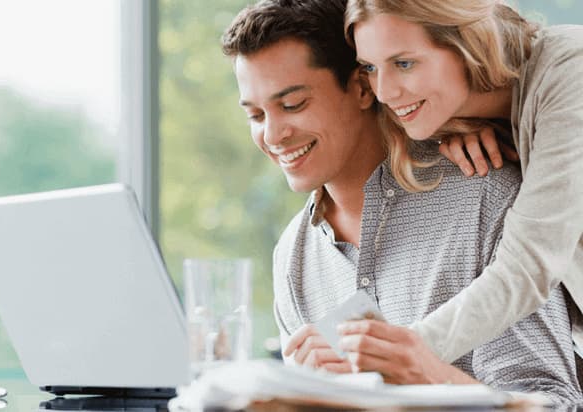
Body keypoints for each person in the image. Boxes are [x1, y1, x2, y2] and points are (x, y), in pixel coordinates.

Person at [221, 0, 582, 403]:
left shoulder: (488, 186)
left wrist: (409, 360)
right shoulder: (294, 257)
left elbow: (529, 271)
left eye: (293, 105)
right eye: (255, 115)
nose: (272, 135)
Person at [344, 0, 583, 365]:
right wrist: (455, 129)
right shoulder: (495, 125)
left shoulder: (571, 70)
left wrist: (404, 353)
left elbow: (527, 268)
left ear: (467, 43)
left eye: (404, 63)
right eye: (371, 68)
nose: (385, 92)